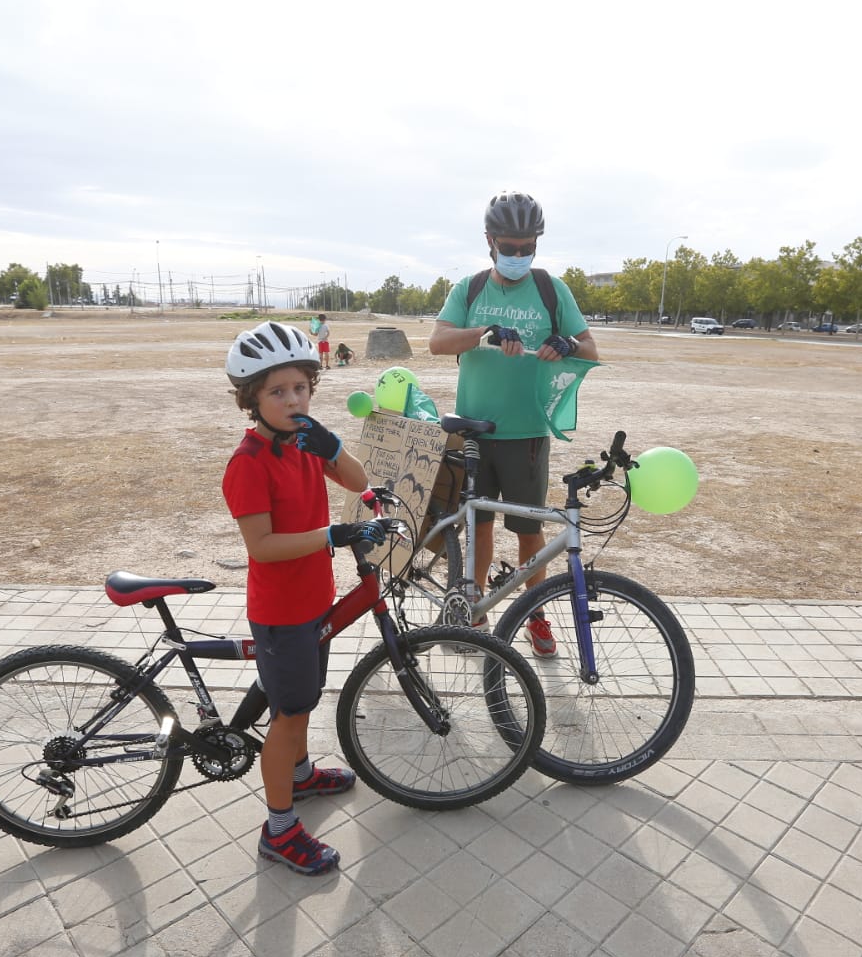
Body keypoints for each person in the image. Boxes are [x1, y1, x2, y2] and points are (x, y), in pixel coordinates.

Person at [222, 321, 389, 874]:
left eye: (300, 387)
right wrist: (332, 535)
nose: (293, 400)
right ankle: (279, 830)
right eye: (278, 391)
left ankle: (300, 775)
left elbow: (358, 480)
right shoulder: (248, 464)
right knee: (290, 716)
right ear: (252, 399)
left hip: (314, 597)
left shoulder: (302, 444)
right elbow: (262, 546)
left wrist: (331, 445)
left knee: (303, 701)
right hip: (282, 611)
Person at [427, 191, 598, 658]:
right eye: (510, 247)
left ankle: (534, 615)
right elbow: (437, 342)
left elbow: (590, 349)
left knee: (529, 531)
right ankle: (475, 610)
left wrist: (567, 344)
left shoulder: (551, 289)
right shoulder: (470, 288)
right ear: (490, 241)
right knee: (479, 526)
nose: (519, 255)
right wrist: (483, 332)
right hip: (475, 433)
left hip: (527, 435)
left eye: (528, 247)